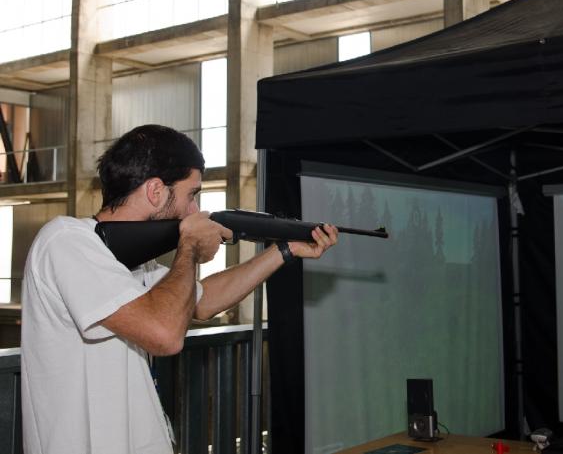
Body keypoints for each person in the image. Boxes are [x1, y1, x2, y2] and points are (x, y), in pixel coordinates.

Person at [20, 124, 338, 454]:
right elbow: (164, 334)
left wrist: (284, 250)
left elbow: (201, 301)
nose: (194, 210)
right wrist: (189, 249)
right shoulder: (66, 241)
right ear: (156, 191)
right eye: (191, 194)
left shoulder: (130, 262)